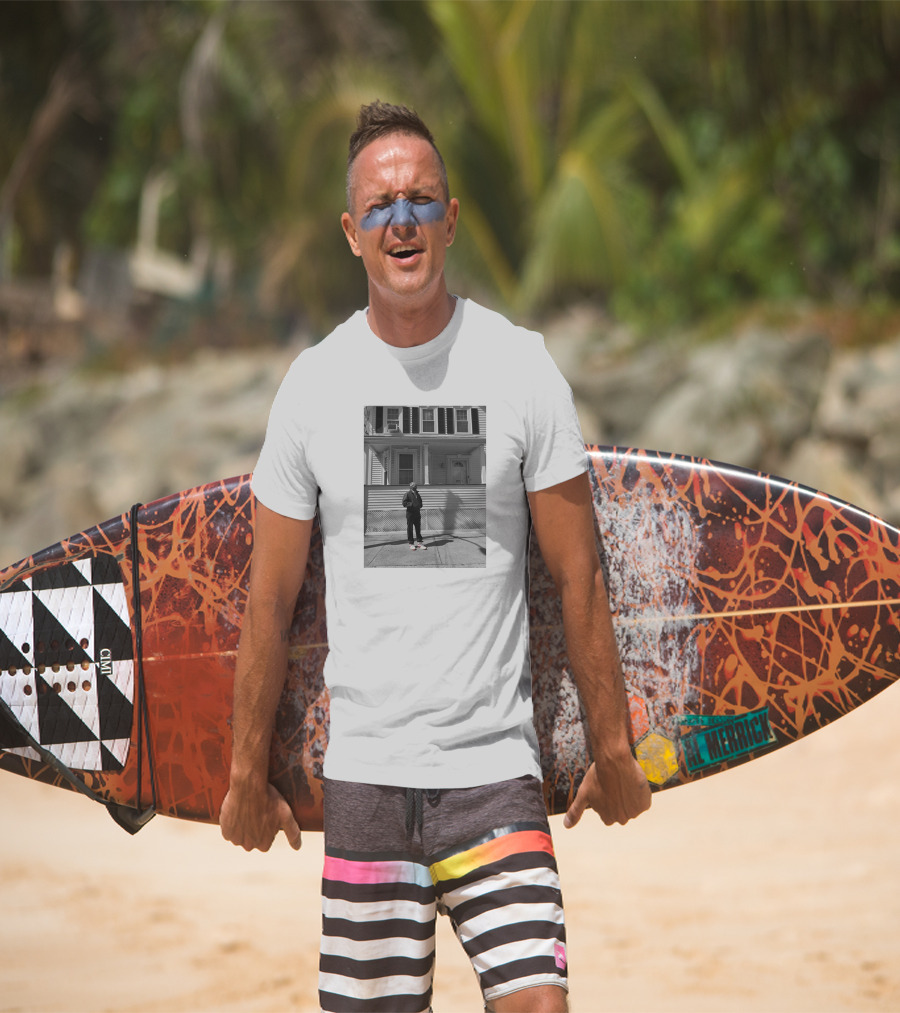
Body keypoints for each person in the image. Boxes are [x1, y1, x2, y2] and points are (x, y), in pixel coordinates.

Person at [220, 100, 651, 1013]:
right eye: (380, 206)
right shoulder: (314, 387)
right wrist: (242, 772)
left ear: (451, 219)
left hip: (495, 773)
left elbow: (579, 575)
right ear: (351, 232)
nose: (402, 220)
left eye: (421, 200)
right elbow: (269, 600)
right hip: (369, 779)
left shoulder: (521, 368)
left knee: (540, 1003)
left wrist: (612, 746)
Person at [403, 481, 425, 549]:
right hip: (410, 513)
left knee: (418, 528)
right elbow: (404, 503)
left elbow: (420, 502)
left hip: (417, 513)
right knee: (410, 528)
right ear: (410, 487)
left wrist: (420, 505)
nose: (415, 487)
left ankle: (419, 543)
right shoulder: (407, 494)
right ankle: (411, 543)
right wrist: (412, 504)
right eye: (413, 486)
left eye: (416, 486)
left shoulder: (417, 494)